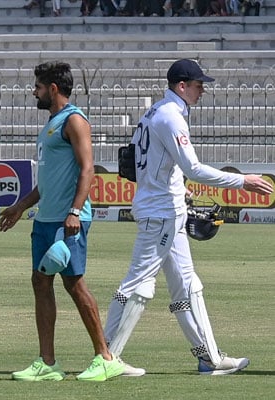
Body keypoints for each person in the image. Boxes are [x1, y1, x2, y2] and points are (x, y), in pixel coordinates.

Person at [104, 59, 273, 375]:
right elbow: (193, 168)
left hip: (166, 207)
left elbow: (144, 162)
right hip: (160, 212)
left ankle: (209, 357)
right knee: (139, 285)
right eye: (198, 85)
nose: (202, 90)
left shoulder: (157, 111)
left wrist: (176, 186)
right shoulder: (170, 117)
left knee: (188, 286)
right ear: (181, 86)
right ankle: (106, 356)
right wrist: (242, 181)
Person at [0, 61, 135, 382]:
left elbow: (88, 168)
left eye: (39, 87)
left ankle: (105, 357)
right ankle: (47, 363)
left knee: (74, 284)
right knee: (40, 282)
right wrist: (20, 207)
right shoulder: (51, 124)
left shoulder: (74, 120)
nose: (35, 92)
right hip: (45, 219)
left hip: (68, 220)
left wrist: (74, 211)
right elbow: (46, 182)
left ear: (53, 89)